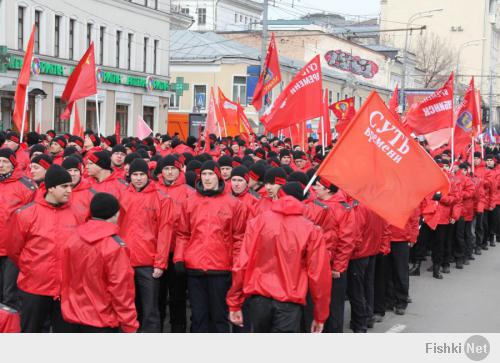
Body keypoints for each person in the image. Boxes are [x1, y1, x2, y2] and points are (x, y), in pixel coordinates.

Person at [227, 182, 331, 333]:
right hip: (289, 299)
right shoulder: (310, 230)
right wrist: (320, 315)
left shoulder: (258, 222)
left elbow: (242, 263)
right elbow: (319, 276)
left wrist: (235, 302)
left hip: (259, 296)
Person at [174, 160, 247, 333]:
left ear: (218, 177)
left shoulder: (234, 204)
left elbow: (239, 238)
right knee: (198, 317)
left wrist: (236, 265)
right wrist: (178, 258)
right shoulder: (190, 202)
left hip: (221, 269)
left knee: (219, 317)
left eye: (211, 174)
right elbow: (183, 233)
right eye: (204, 174)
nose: (207, 178)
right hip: (195, 268)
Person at [8, 165, 78, 332]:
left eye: (70, 186)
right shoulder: (26, 214)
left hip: (66, 290)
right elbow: (14, 249)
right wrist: (32, 269)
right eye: (64, 186)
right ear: (51, 187)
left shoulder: (76, 213)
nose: (69, 190)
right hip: (34, 288)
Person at [61, 193, 139, 333]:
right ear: (115, 214)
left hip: (72, 314)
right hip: (102, 319)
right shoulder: (114, 246)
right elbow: (121, 290)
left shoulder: (73, 238)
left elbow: (64, 275)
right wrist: (130, 324)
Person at [119, 159, 175, 332]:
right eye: (135, 174)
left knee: (150, 309)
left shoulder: (161, 198)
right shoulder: (122, 195)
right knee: (127, 307)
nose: (138, 178)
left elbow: (165, 233)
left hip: (148, 262)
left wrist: (160, 263)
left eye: (141, 174)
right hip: (125, 261)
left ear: (148, 175)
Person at [304, 177, 355, 333]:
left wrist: (338, 267)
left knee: (334, 306)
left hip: (332, 266)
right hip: (315, 264)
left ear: (327, 189)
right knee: (316, 303)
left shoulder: (344, 209)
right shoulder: (312, 205)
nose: (314, 188)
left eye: (317, 186)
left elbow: (347, 241)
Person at [156, 155, 193, 332]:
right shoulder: (154, 189)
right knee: (158, 296)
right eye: (166, 169)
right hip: (157, 252)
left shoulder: (188, 192)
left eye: (173, 169)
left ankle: (178, 330)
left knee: (177, 297)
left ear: (180, 170)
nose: (169, 172)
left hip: (179, 252)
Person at [0, 149, 36, 311]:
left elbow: (32, 218)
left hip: (12, 250)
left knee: (9, 296)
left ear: (13, 163)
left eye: (5, 162)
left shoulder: (26, 186)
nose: (1, 165)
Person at [62, 156, 94, 224]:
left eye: (76, 170)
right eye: (69, 170)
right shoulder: (57, 191)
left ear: (80, 173)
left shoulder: (91, 194)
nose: (73, 174)